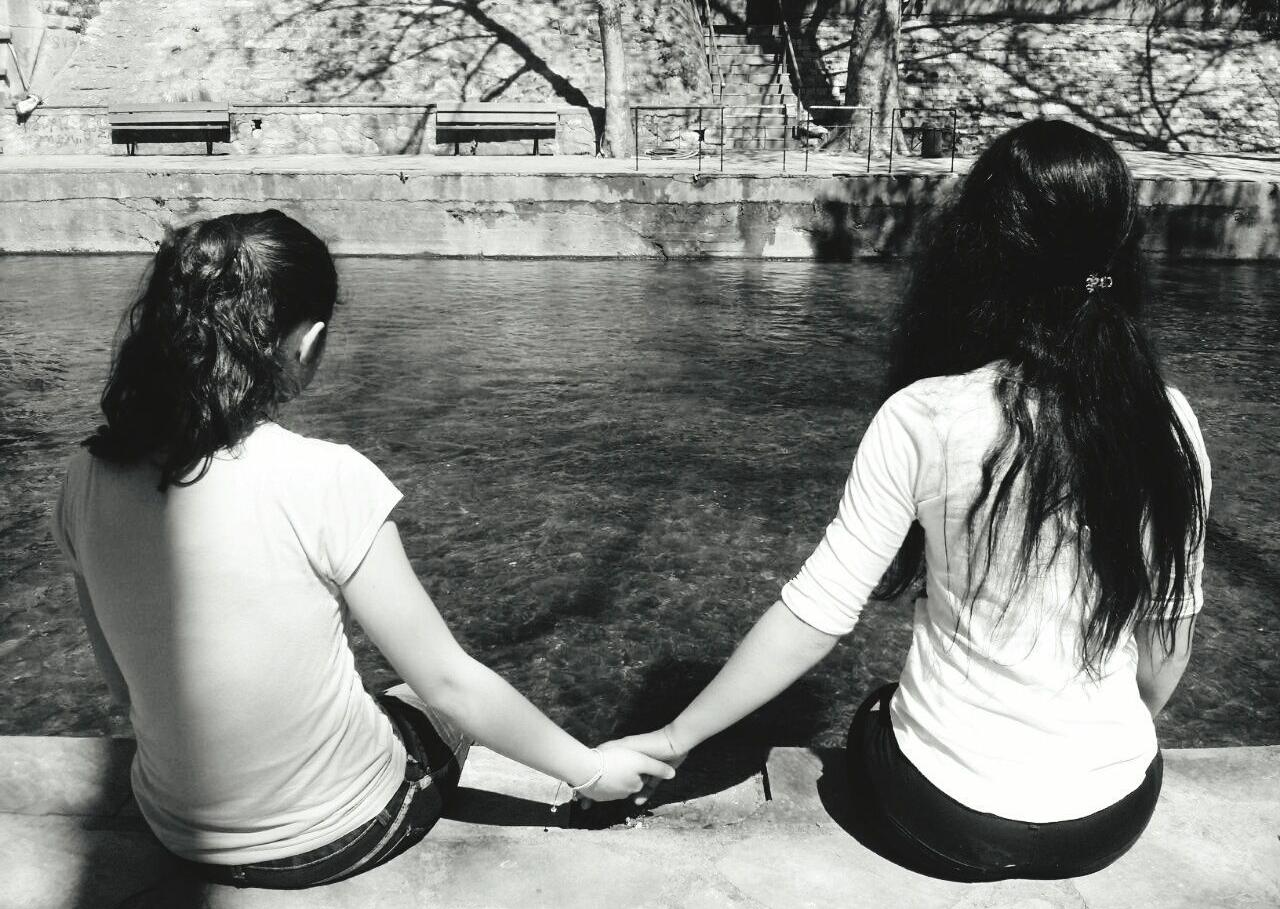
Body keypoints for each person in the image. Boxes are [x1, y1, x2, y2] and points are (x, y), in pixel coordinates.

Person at [616, 120, 1210, 882]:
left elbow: (817, 614)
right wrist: (1099, 753)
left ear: (981, 249)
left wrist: (673, 738)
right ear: (1120, 248)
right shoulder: (1170, 420)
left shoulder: (926, 415)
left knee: (874, 714)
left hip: (947, 819)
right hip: (1112, 818)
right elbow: (1168, 646)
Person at [51, 210, 674, 890]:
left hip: (173, 826)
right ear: (307, 344)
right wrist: (593, 770)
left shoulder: (85, 476)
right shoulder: (326, 476)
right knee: (424, 697)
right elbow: (449, 685)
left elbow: (120, 684)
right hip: (335, 836)